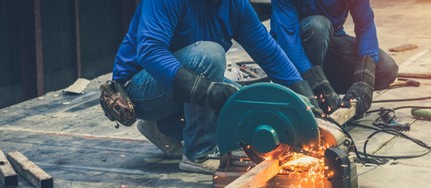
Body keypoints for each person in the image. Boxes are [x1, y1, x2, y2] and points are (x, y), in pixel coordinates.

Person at [112, 0, 319, 174]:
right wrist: (208, 91)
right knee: (210, 55)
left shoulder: (235, 5)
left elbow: (268, 51)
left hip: (180, 82)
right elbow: (151, 52)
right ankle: (198, 154)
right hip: (137, 90)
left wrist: (306, 99)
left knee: (245, 102)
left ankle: (163, 126)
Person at [270, 0, 399, 118]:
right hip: (291, 53)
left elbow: (365, 26)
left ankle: (328, 91)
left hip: (331, 41)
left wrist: (364, 79)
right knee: (318, 26)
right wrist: (317, 83)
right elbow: (289, 42)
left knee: (386, 69)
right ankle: (310, 91)